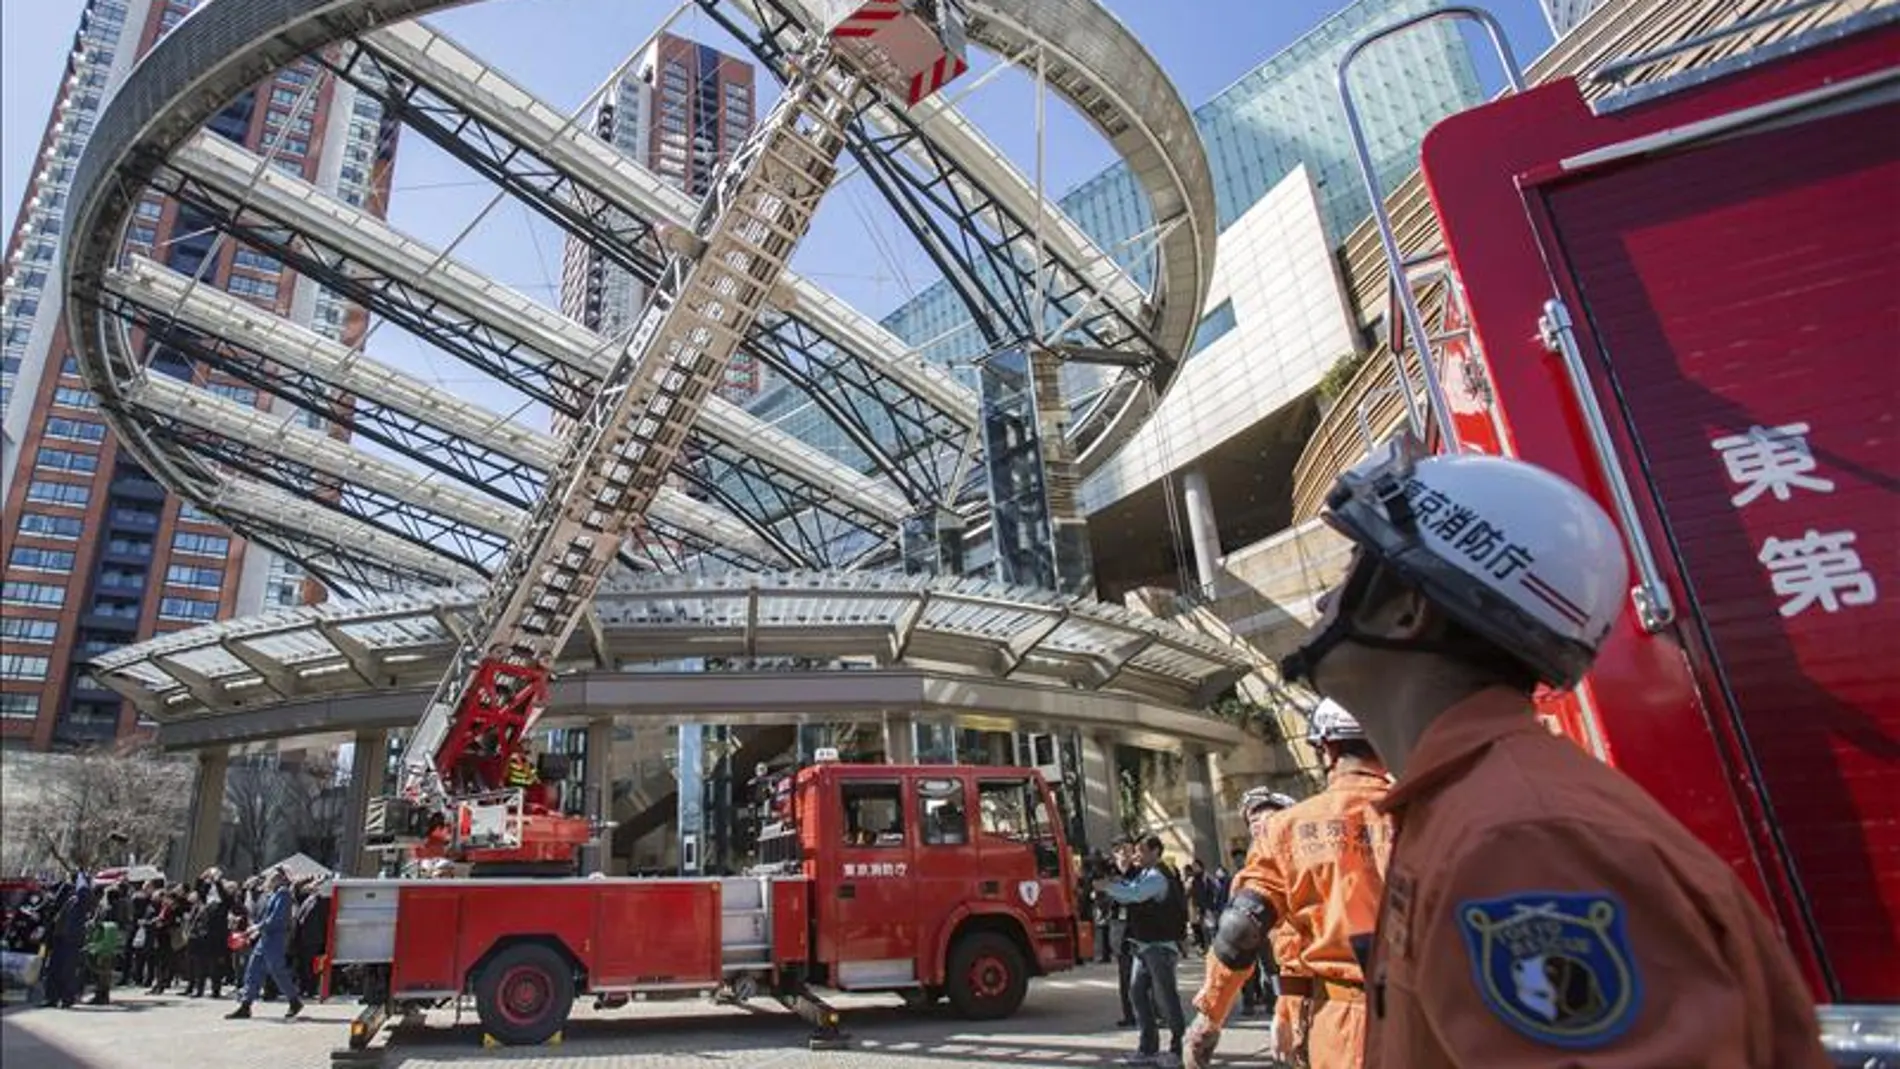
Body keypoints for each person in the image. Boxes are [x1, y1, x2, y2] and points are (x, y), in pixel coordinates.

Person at [1272, 435, 1829, 1067]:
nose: (1324, 601)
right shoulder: (1476, 809)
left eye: (1353, 569)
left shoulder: (1518, 842)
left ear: (1409, 612)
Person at [1186, 709, 1392, 1069]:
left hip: (1341, 1024)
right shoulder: (1430, 811)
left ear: (1326, 750)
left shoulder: (1287, 829)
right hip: (1434, 1016)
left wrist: (1209, 1018)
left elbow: (1241, 928)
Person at [1099, 834, 1190, 1066]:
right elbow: (1130, 888)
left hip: (1159, 947)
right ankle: (1148, 1048)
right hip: (1144, 946)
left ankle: (1179, 1050)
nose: (1136, 855)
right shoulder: (1146, 874)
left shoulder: (1157, 876)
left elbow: (1135, 894)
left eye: (1141, 850)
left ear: (1155, 852)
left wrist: (1107, 886)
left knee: (1166, 998)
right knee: (1137, 993)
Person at [1232, 787, 1296, 1019]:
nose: (1258, 825)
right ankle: (1272, 1005)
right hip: (1274, 938)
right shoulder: (1255, 859)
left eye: (1267, 817)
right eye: (1252, 820)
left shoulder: (1299, 851)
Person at [227, 868, 303, 1020]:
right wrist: (256, 930)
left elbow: (277, 918)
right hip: (266, 937)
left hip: (276, 938)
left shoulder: (283, 894)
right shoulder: (274, 894)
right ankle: (245, 1005)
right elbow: (267, 917)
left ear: (279, 878)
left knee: (277, 970)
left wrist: (257, 927)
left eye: (271, 876)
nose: (268, 879)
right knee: (253, 968)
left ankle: (294, 1000)